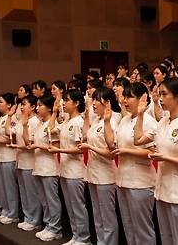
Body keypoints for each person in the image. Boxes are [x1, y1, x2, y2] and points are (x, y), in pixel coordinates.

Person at [134, 77, 178, 245]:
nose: (160, 99)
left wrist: (165, 157)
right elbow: (137, 140)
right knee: (166, 239)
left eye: (164, 94)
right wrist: (140, 115)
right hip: (162, 190)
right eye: (159, 95)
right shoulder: (163, 121)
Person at [114, 83, 158, 245]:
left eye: (130, 96)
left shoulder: (149, 122)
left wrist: (127, 152)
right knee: (128, 225)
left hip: (141, 181)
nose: (125, 100)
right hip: (123, 179)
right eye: (124, 97)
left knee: (142, 228)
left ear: (142, 99)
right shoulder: (124, 120)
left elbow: (153, 153)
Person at [79, 87, 122, 245]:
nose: (94, 103)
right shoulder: (96, 120)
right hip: (92, 173)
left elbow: (112, 154)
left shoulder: (111, 122)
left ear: (107, 102)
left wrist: (90, 148)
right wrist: (85, 117)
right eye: (93, 99)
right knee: (97, 215)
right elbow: (85, 136)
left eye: (97, 100)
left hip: (106, 175)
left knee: (107, 216)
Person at [48, 89, 91, 245]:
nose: (63, 104)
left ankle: (84, 238)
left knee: (78, 206)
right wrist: (54, 112)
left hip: (76, 171)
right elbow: (50, 129)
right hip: (65, 170)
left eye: (66, 100)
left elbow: (81, 148)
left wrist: (59, 150)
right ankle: (76, 236)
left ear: (77, 103)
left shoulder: (79, 122)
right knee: (70, 206)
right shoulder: (66, 121)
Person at [27, 96, 63, 242]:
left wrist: (54, 113)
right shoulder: (39, 124)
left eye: (40, 105)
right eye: (36, 105)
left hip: (50, 167)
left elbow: (53, 145)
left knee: (51, 199)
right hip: (39, 165)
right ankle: (48, 225)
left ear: (49, 108)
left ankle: (56, 228)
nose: (37, 108)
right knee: (43, 199)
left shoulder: (53, 124)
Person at [10, 96, 43, 231]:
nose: (22, 107)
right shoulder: (22, 120)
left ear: (33, 107)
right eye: (21, 105)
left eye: (24, 104)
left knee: (32, 192)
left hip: (30, 161)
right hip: (20, 160)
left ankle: (35, 220)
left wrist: (19, 146)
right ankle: (28, 217)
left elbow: (32, 143)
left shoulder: (35, 121)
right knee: (23, 192)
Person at [0, 93, 19, 225]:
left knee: (9, 187)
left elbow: (12, 137)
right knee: (2, 186)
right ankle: (6, 210)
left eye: (1, 102)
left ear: (9, 105)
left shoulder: (12, 118)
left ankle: (13, 213)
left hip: (9, 156)